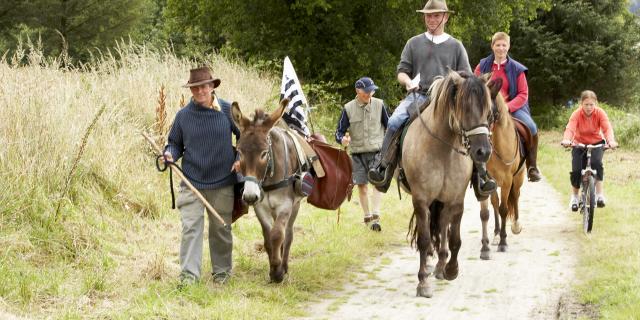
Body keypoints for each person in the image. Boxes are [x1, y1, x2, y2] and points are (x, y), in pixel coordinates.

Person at [368, 0, 496, 196]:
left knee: (472, 126)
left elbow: (468, 78)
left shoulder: (456, 46)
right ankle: (382, 165)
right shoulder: (413, 42)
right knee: (394, 121)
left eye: (436, 15)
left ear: (446, 17)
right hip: (418, 95)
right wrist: (408, 81)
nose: (432, 19)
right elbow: (401, 72)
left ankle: (482, 175)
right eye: (428, 15)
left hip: (450, 100)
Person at [163, 66, 240, 287]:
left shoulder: (227, 111)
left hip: (223, 182)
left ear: (212, 86)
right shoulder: (183, 116)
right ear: (191, 90)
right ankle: (189, 276)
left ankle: (222, 273)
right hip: (191, 182)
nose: (200, 91)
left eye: (204, 86)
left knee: (221, 229)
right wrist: (169, 154)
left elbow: (245, 137)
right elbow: (175, 143)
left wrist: (241, 157)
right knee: (190, 229)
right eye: (195, 87)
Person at [474, 31, 542, 182]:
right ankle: (473, 166)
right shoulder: (482, 65)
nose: (501, 48)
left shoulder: (517, 69)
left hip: (513, 108)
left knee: (531, 127)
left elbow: (523, 94)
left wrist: (507, 107)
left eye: (504, 45)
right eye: (497, 45)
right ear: (492, 46)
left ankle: (532, 166)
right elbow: (474, 87)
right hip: (487, 108)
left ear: (508, 46)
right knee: (472, 127)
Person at [335, 77, 389, 230]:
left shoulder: (380, 105)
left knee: (377, 183)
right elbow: (338, 132)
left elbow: (389, 126)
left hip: (376, 152)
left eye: (371, 91)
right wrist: (343, 140)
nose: (369, 94)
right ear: (357, 91)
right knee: (362, 186)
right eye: (366, 92)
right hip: (357, 154)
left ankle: (376, 215)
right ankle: (367, 216)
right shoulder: (348, 108)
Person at [561, 90, 618, 210]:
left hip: (596, 143)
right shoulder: (576, 114)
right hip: (579, 144)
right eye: (586, 104)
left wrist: (611, 141)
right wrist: (566, 139)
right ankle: (575, 197)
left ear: (595, 104)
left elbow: (607, 128)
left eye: (591, 104)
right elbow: (570, 128)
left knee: (597, 164)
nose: (589, 107)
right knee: (576, 170)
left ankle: (599, 195)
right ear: (581, 104)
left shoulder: (600, 113)